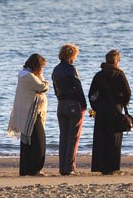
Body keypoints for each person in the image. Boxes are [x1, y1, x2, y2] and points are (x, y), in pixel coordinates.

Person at [88, 49, 131, 175]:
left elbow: (91, 95)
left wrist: (95, 107)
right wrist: (122, 103)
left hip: (101, 110)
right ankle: (112, 167)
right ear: (116, 61)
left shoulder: (99, 75)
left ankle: (101, 166)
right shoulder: (119, 75)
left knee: (101, 138)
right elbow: (128, 93)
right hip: (116, 110)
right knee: (114, 139)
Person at [7, 53, 49, 176]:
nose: (42, 69)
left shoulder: (23, 74)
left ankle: (26, 170)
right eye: (41, 67)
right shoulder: (29, 76)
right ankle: (35, 169)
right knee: (39, 143)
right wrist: (41, 75)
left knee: (27, 142)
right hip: (32, 113)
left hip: (27, 112)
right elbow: (43, 87)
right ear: (37, 66)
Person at [51, 43, 87, 176]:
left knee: (63, 137)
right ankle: (70, 167)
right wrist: (83, 104)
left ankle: (62, 168)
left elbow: (55, 88)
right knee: (73, 137)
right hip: (73, 104)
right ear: (72, 55)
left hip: (61, 104)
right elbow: (78, 87)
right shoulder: (71, 69)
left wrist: (60, 99)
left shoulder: (56, 69)